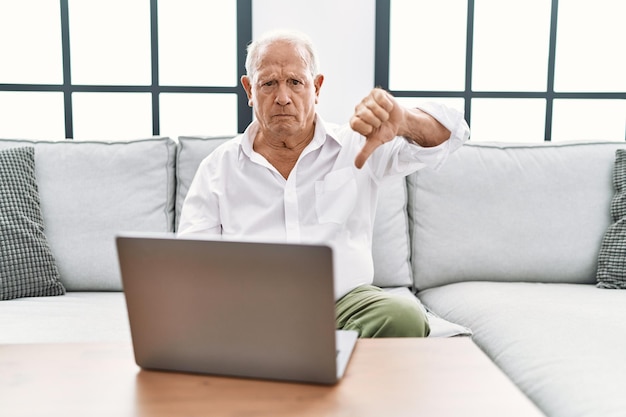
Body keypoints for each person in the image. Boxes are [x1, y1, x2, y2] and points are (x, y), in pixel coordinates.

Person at [178, 29, 470, 338]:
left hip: (343, 307)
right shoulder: (217, 167)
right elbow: (190, 264)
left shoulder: (356, 143)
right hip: (252, 312)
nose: (282, 97)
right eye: (268, 83)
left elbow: (452, 134)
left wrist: (405, 120)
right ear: (250, 89)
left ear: (316, 87)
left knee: (403, 315)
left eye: (295, 82)